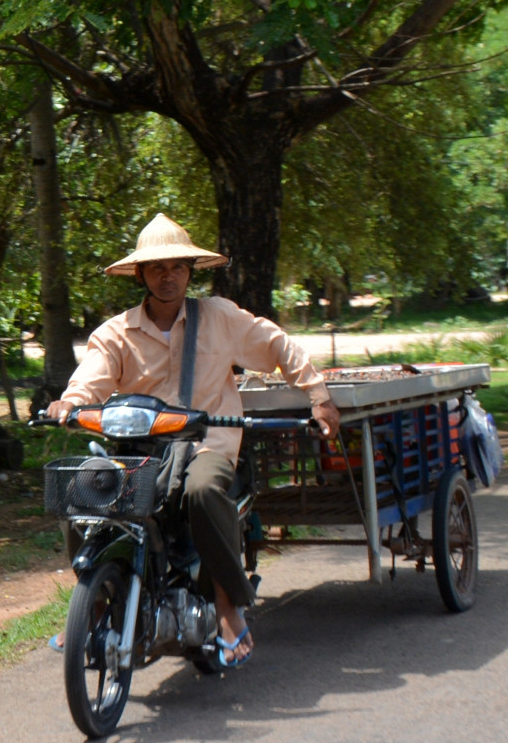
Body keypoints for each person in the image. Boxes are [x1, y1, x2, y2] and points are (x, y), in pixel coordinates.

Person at [46, 214, 341, 668]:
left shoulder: (221, 317)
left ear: (190, 271)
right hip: (141, 453)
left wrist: (319, 397)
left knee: (202, 490)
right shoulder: (116, 332)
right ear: (141, 274)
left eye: (178, 267)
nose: (169, 277)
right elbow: (90, 381)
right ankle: (97, 602)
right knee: (84, 487)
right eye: (158, 268)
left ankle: (227, 606)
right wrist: (70, 404)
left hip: (208, 448)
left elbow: (278, 345)